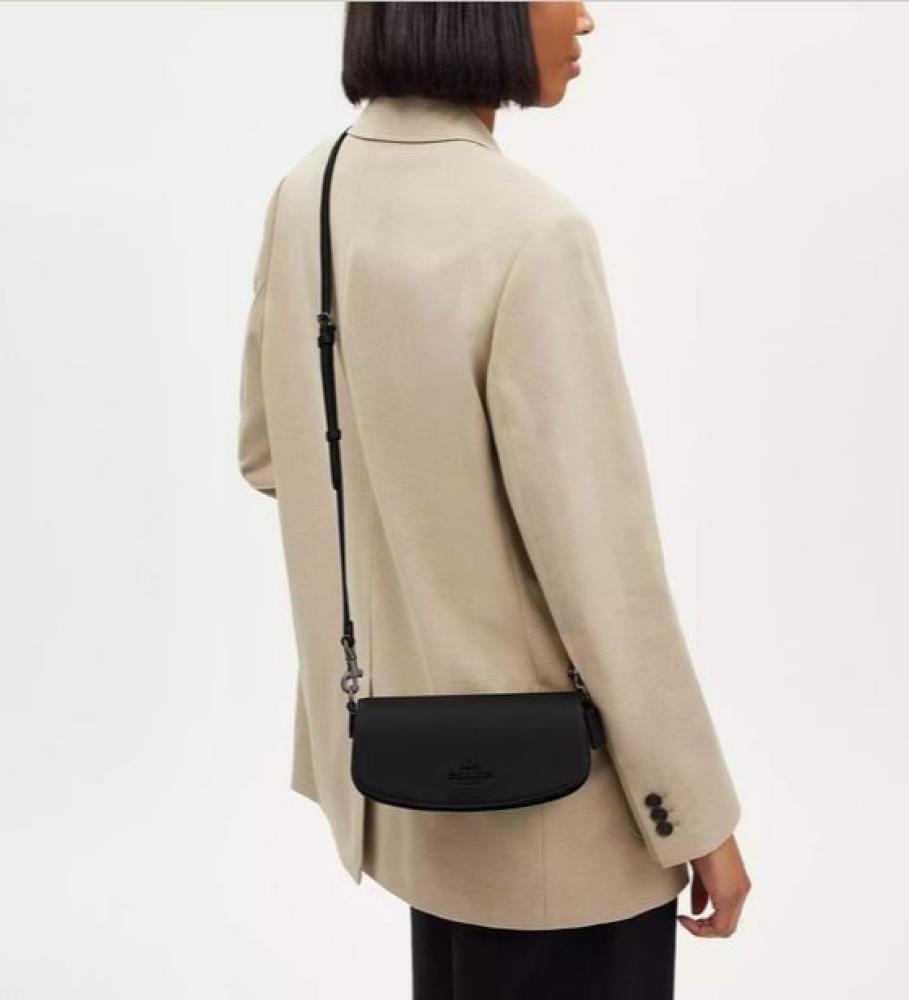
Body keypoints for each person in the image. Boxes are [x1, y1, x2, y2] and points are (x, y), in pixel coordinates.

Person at [237, 2, 751, 996]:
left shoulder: (309, 191)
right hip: (561, 812)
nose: (585, 18)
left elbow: (271, 454)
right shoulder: (531, 231)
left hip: (403, 772)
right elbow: (602, 573)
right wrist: (697, 815)